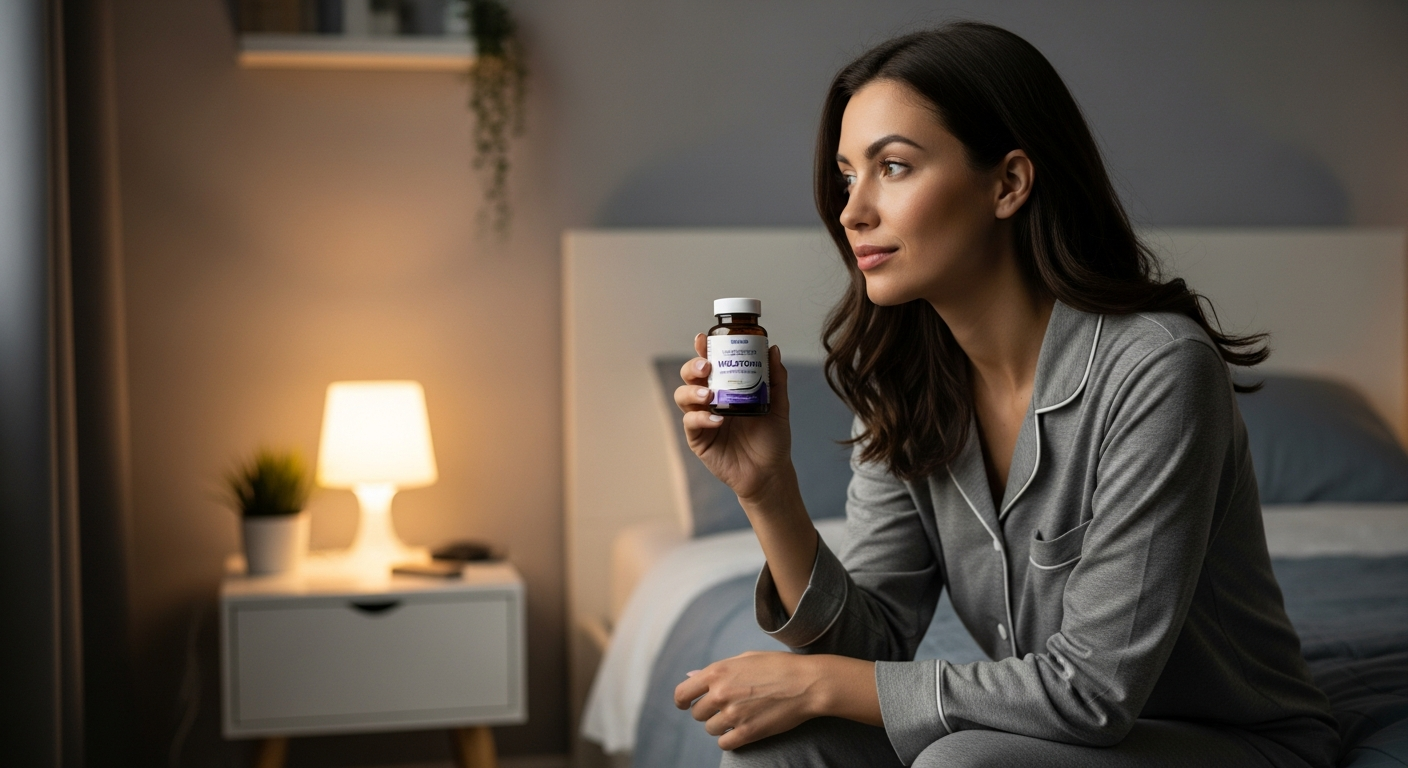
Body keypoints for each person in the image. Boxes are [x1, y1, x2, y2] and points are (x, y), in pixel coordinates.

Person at [669, 21, 1339, 768]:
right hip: (1041, 737)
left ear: (1009, 183)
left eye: (893, 166)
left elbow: (1091, 691)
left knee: (962, 763)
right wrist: (768, 490)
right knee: (776, 754)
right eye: (848, 175)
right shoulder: (905, 379)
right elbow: (873, 645)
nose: (852, 211)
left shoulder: (1159, 368)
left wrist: (819, 683)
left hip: (1228, 743)